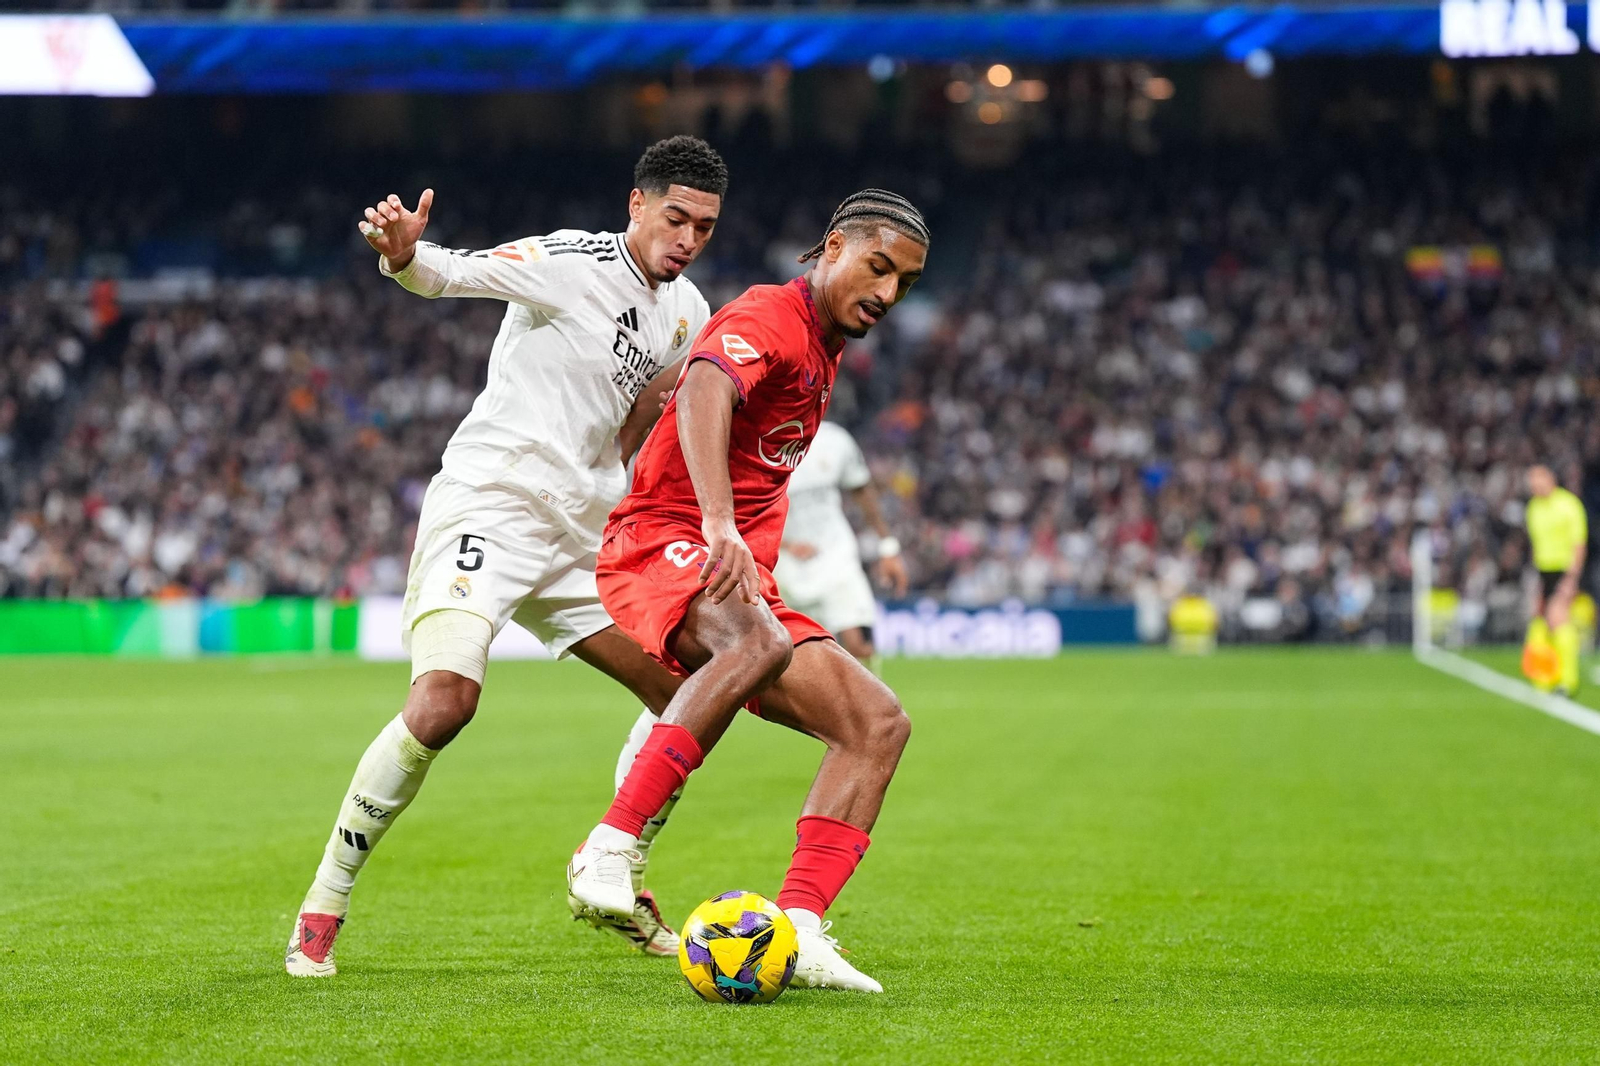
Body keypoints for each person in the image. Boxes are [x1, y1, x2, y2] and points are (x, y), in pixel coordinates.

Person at [285, 136, 728, 977]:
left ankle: (611, 862)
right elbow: (448, 274)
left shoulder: (689, 312)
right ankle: (324, 902)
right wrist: (405, 256)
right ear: (636, 205)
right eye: (676, 219)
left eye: (704, 227)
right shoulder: (567, 260)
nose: (688, 240)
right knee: (446, 702)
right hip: (494, 501)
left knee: (690, 694)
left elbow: (639, 412)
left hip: (584, 532)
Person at [565, 189, 929, 993]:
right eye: (877, 268)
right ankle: (611, 846)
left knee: (877, 723)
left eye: (903, 281)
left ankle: (798, 932)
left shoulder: (826, 345)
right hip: (663, 542)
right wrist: (722, 524)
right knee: (759, 642)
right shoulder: (773, 314)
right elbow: (700, 388)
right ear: (833, 246)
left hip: (733, 570)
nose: (887, 293)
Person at [774, 420, 908, 664]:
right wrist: (784, 544)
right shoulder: (757, 439)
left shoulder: (836, 440)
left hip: (835, 555)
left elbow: (862, 489)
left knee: (859, 645)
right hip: (782, 564)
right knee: (793, 655)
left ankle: (865, 703)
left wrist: (888, 547)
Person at [1522, 464, 1588, 696]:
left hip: (1564, 570)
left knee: (1558, 620)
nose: (1534, 486)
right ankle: (1543, 675)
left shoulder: (1568, 505)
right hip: (1543, 571)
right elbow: (1535, 546)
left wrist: (1571, 579)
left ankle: (1567, 681)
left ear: (1550, 478)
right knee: (1539, 622)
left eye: (1538, 479)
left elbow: (1579, 545)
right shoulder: (1533, 508)